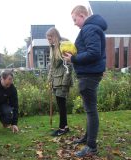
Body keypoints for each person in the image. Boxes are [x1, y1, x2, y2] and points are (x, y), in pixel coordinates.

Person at [63, 5, 107, 157]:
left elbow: (94, 53)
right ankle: (87, 138)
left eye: (75, 19)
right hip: (89, 73)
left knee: (91, 110)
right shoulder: (92, 28)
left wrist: (73, 58)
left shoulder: (89, 29)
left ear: (82, 15)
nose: (74, 23)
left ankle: (91, 147)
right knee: (89, 109)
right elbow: (92, 51)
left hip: (89, 75)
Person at [46, 27, 73, 136]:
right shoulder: (53, 47)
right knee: (60, 104)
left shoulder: (64, 45)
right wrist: (49, 79)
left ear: (55, 36)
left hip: (63, 80)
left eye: (50, 38)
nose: (49, 41)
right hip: (56, 80)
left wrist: (65, 83)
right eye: (48, 39)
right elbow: (52, 66)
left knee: (62, 105)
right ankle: (64, 126)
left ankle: (62, 128)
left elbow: (69, 66)